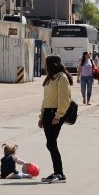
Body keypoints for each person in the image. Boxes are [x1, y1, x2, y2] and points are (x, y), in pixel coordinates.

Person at [38, 55, 72, 183]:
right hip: (47, 112)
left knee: (51, 143)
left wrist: (58, 115)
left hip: (55, 113)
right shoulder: (50, 79)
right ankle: (58, 172)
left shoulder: (61, 78)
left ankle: (59, 173)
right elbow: (45, 99)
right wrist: (41, 116)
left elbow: (65, 99)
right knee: (50, 143)